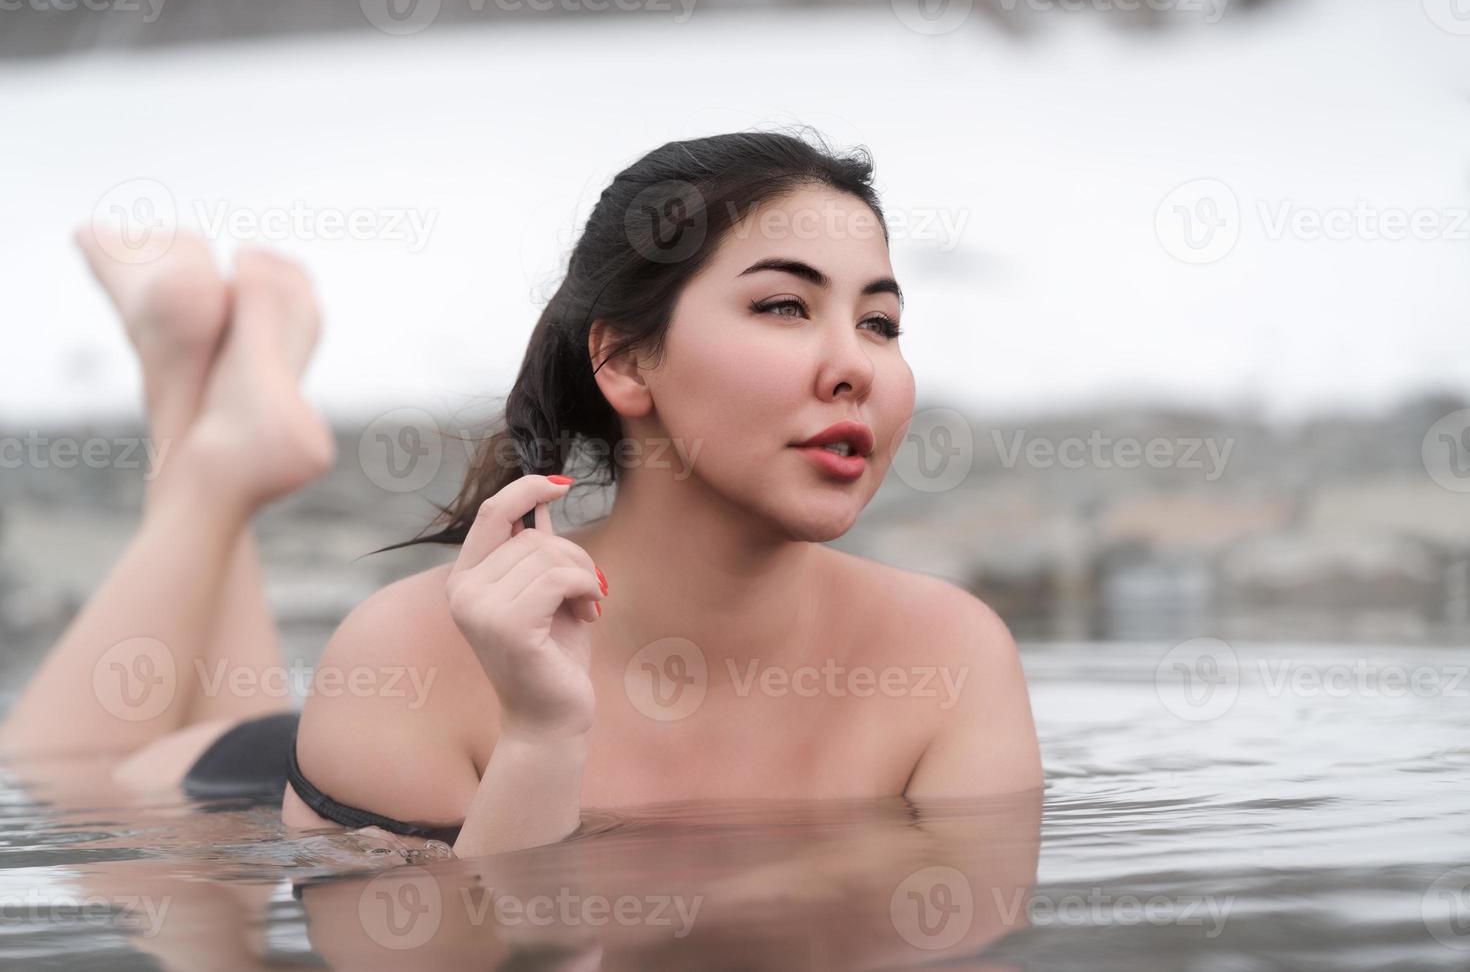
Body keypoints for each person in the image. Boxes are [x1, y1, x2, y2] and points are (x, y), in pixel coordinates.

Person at [0, 129, 1042, 862]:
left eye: (881, 322)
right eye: (782, 304)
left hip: (363, 773)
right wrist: (542, 735)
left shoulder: (953, 656)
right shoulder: (407, 653)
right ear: (626, 361)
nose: (854, 363)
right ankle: (211, 456)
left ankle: (200, 398)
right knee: (71, 779)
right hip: (248, 781)